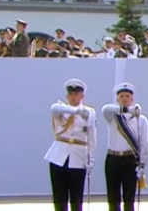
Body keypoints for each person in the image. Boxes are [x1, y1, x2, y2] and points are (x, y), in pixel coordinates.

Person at [46, 79, 97, 211]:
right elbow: (54, 109)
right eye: (71, 94)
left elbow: (91, 138)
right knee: (59, 197)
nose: (74, 96)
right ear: (67, 96)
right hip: (59, 156)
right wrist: (76, 112)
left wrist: (90, 159)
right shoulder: (61, 109)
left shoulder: (89, 112)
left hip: (78, 157)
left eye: (77, 94)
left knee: (76, 197)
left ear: (82, 96)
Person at [101, 83, 148, 211]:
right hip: (113, 158)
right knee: (113, 197)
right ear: (117, 99)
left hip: (130, 159)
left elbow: (144, 143)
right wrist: (127, 110)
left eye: (127, 96)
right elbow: (105, 109)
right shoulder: (113, 116)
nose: (124, 98)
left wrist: (142, 165)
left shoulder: (141, 119)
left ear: (132, 99)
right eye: (121, 96)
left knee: (129, 198)